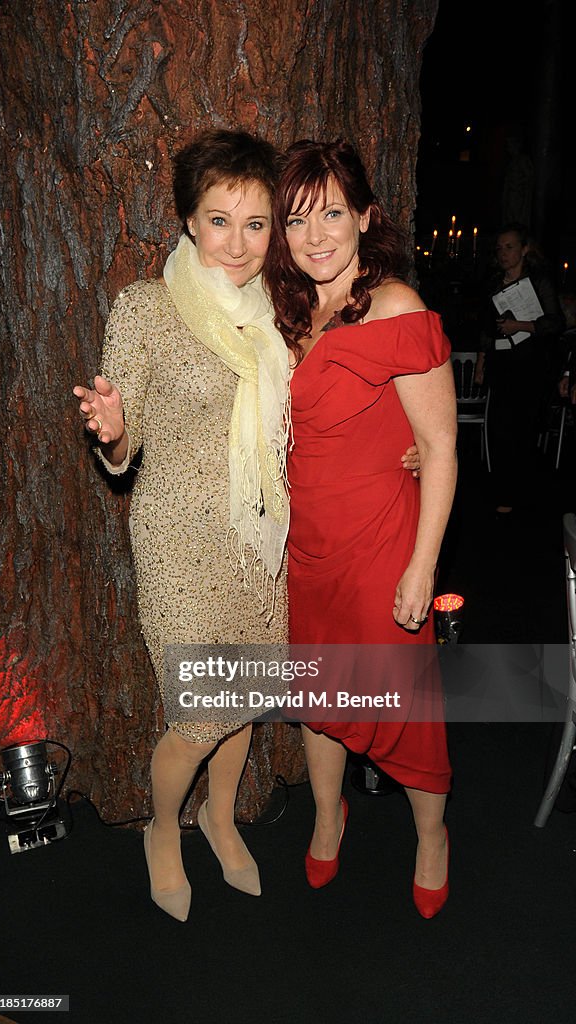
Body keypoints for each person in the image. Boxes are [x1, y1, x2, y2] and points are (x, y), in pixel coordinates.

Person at [73, 129, 420, 923]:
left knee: (249, 694)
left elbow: (334, 406)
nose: (238, 241)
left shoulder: (283, 311)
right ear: (189, 221)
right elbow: (123, 451)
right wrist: (114, 429)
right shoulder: (147, 307)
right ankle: (164, 827)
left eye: (257, 223)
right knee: (202, 709)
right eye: (219, 220)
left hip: (265, 542)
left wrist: (400, 445)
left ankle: (220, 818)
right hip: (179, 542)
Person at [264, 139, 458, 918]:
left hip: (381, 545)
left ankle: (434, 838)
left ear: (365, 217)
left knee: (402, 706)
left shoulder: (398, 307)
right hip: (305, 548)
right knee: (319, 697)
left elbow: (441, 446)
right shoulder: (285, 313)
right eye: (298, 219)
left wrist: (423, 567)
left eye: (332, 214)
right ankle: (324, 815)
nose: (315, 236)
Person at [475, 223, 566, 516]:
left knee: (523, 429)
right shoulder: (493, 283)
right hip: (501, 364)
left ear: (524, 249)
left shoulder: (539, 281)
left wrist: (522, 326)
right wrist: (480, 363)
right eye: (500, 248)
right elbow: (486, 328)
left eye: (510, 246)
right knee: (500, 428)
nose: (504, 253)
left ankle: (523, 493)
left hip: (531, 365)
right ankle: (503, 490)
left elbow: (556, 323)